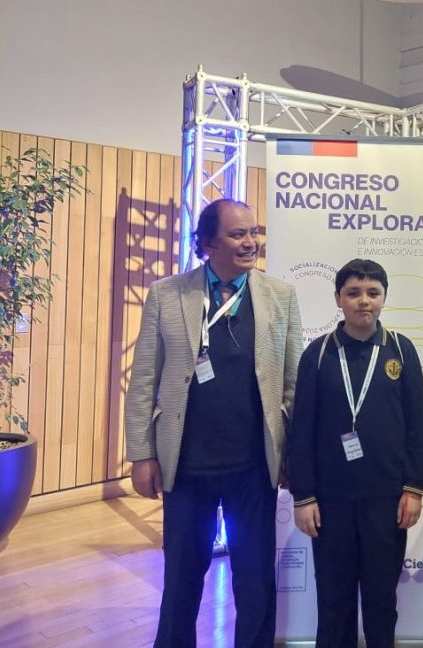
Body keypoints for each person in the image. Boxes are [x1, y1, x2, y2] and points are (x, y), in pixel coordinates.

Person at [124, 198, 303, 648]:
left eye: (253, 232)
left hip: (254, 468)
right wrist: (141, 454)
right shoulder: (167, 294)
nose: (250, 242)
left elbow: (292, 384)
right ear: (207, 243)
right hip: (187, 466)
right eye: (238, 234)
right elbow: (144, 379)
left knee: (255, 581)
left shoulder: (280, 295)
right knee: (181, 579)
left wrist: (292, 454)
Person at [288, 258, 423, 648]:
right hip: (330, 501)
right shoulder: (317, 354)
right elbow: (301, 430)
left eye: (372, 293)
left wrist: (414, 488)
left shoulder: (401, 350)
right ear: (338, 298)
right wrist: (304, 495)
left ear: (384, 297)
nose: (363, 301)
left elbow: (418, 425)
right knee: (334, 598)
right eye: (353, 293)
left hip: (387, 499)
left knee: (382, 598)